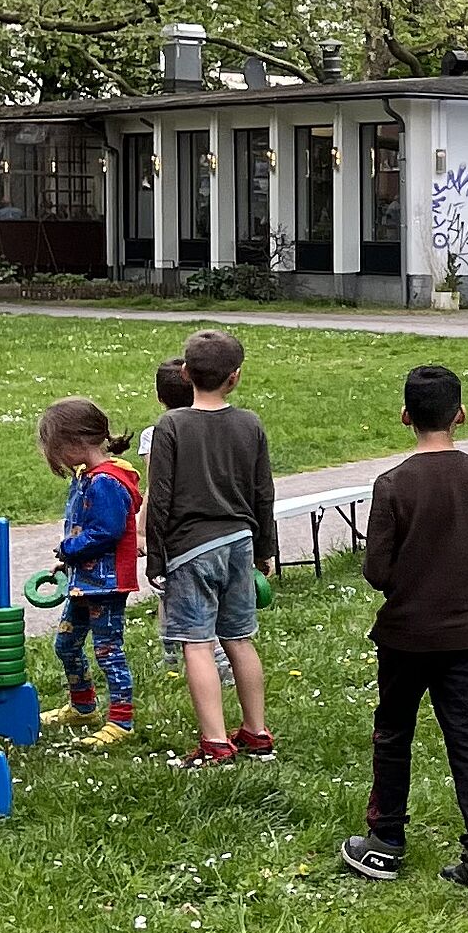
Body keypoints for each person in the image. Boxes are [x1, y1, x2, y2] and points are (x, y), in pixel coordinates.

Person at [341, 364, 468, 892]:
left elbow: (377, 570)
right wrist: (467, 564)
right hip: (465, 636)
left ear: (405, 416)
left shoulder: (393, 483)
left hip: (403, 635)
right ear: (461, 415)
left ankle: (384, 842)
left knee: (394, 733)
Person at [143, 326, 278, 768]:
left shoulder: (171, 425)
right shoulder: (250, 423)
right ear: (235, 377)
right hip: (240, 543)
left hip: (189, 550)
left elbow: (159, 497)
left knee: (197, 644)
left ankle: (215, 742)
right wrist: (265, 549)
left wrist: (156, 557)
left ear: (185, 373)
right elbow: (264, 492)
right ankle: (257, 732)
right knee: (240, 637)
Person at [39, 398, 141, 744]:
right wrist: (67, 559)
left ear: (76, 443)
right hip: (85, 582)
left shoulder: (106, 482)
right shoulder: (88, 476)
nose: (57, 458)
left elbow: (106, 532)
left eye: (56, 450)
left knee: (108, 650)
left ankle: (121, 722)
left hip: (107, 584)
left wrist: (69, 550)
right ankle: (83, 706)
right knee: (66, 644)